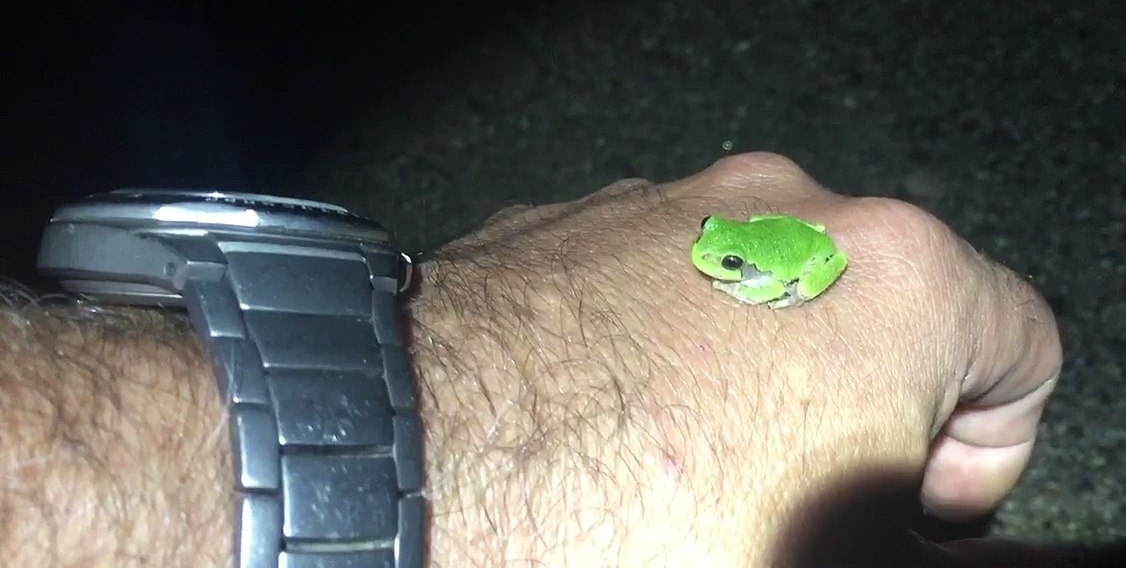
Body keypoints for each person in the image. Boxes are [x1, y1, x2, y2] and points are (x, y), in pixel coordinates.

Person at [0, 152, 1068, 567]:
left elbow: (808, 264)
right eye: (710, 253)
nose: (708, 261)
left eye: (718, 256)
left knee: (802, 271)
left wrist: (769, 284)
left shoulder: (769, 260)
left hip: (802, 270)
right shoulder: (709, 250)